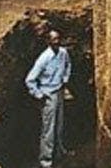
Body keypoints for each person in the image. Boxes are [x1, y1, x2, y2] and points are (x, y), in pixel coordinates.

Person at [25, 29, 72, 168]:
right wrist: (39, 95)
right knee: (48, 130)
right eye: (53, 39)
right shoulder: (44, 58)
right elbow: (30, 80)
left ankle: (59, 152)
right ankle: (46, 161)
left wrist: (65, 79)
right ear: (48, 41)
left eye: (58, 38)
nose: (57, 41)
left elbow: (68, 65)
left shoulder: (63, 53)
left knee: (59, 125)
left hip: (59, 91)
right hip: (48, 95)